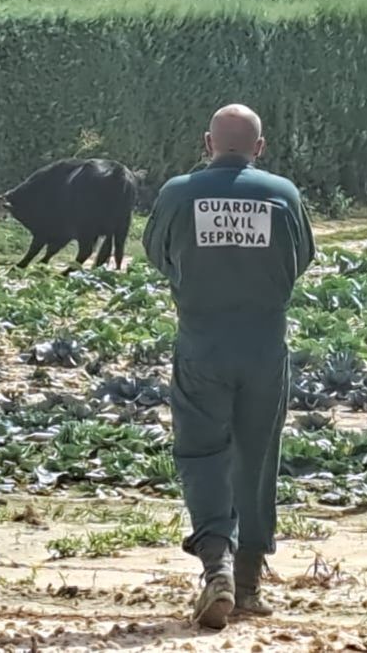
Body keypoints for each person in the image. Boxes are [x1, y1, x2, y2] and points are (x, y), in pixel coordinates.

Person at [140, 104, 315, 630]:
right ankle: (248, 584)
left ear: (207, 143)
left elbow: (157, 253)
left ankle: (215, 564)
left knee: (201, 454)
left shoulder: (177, 193)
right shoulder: (283, 194)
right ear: (259, 148)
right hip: (263, 348)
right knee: (256, 458)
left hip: (202, 345)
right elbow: (301, 258)